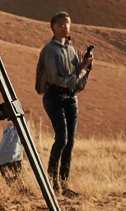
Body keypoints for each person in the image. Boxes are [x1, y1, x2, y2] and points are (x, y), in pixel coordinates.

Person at [35, 12, 93, 197]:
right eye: (61, 25)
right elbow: (55, 78)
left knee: (70, 142)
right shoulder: (50, 50)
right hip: (54, 97)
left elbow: (77, 78)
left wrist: (85, 66)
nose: (65, 28)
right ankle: (51, 184)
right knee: (62, 139)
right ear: (53, 27)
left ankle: (64, 185)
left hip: (71, 98)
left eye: (67, 25)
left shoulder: (72, 50)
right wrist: (79, 73)